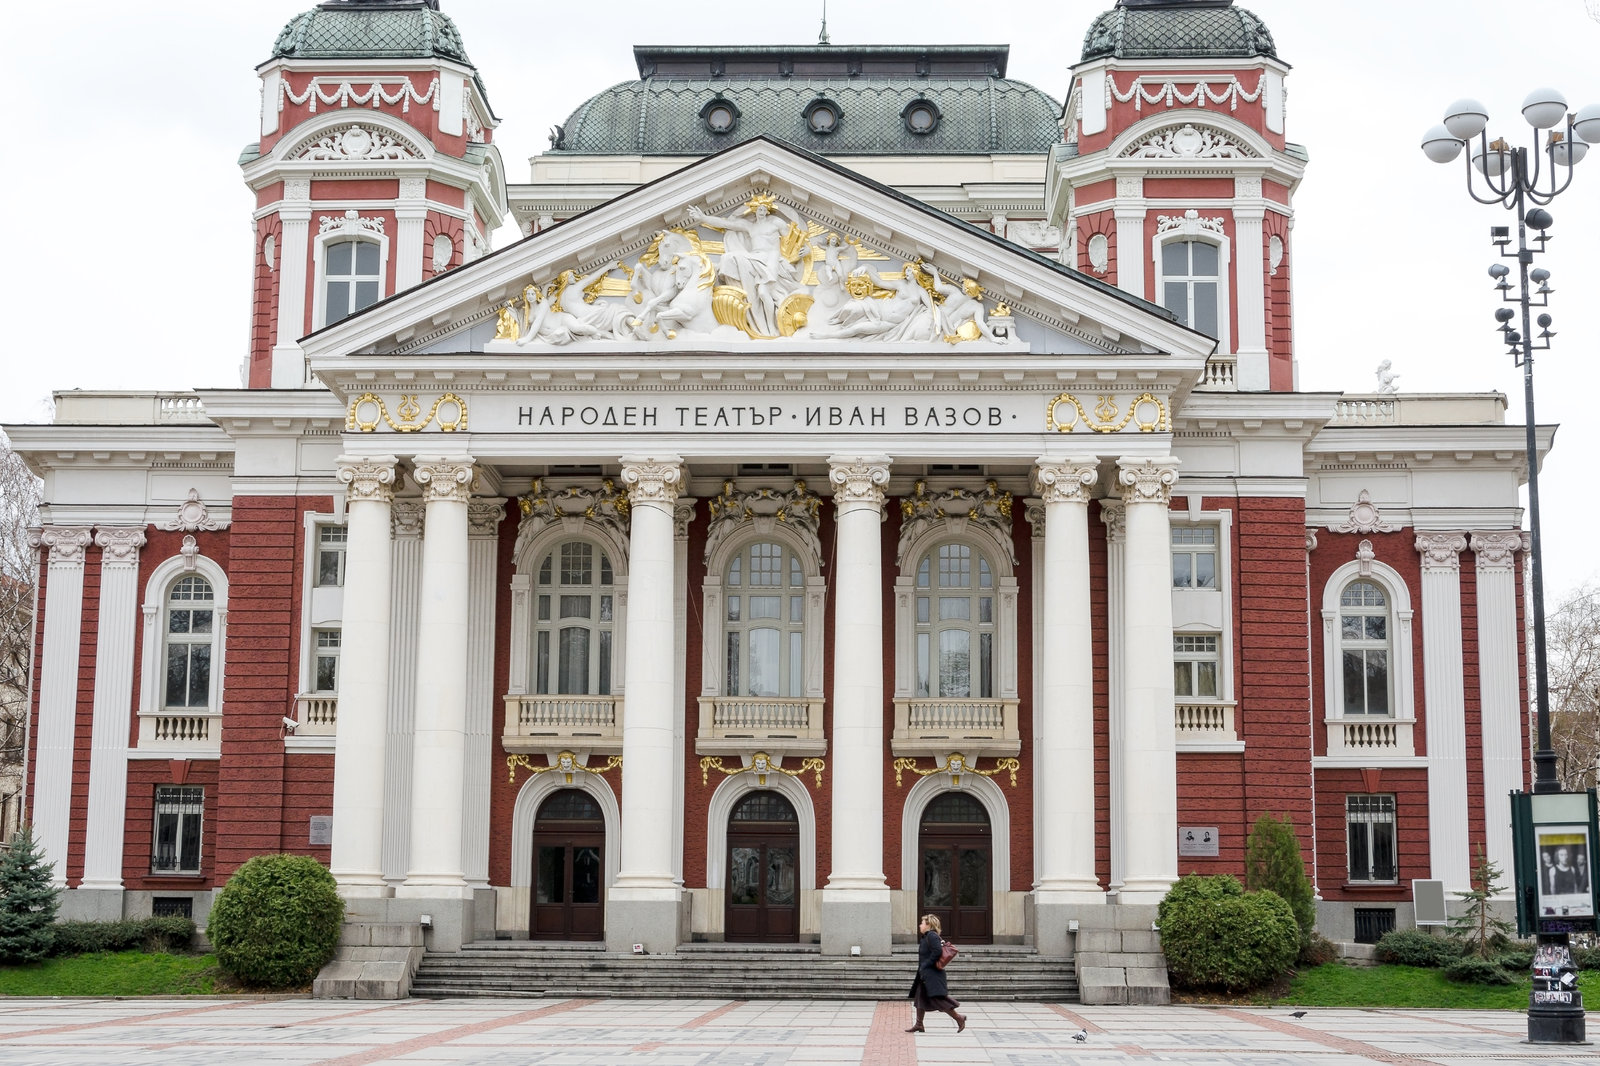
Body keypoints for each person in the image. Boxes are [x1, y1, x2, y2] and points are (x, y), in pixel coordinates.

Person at [906, 913, 966, 1033]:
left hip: (932, 975)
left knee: (938, 999)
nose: (920, 925)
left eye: (922, 923)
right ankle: (919, 1024)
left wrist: (927, 964)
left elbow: (937, 951)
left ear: (928, 925)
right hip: (925, 974)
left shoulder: (932, 936)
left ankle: (959, 1018)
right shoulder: (927, 936)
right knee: (920, 998)